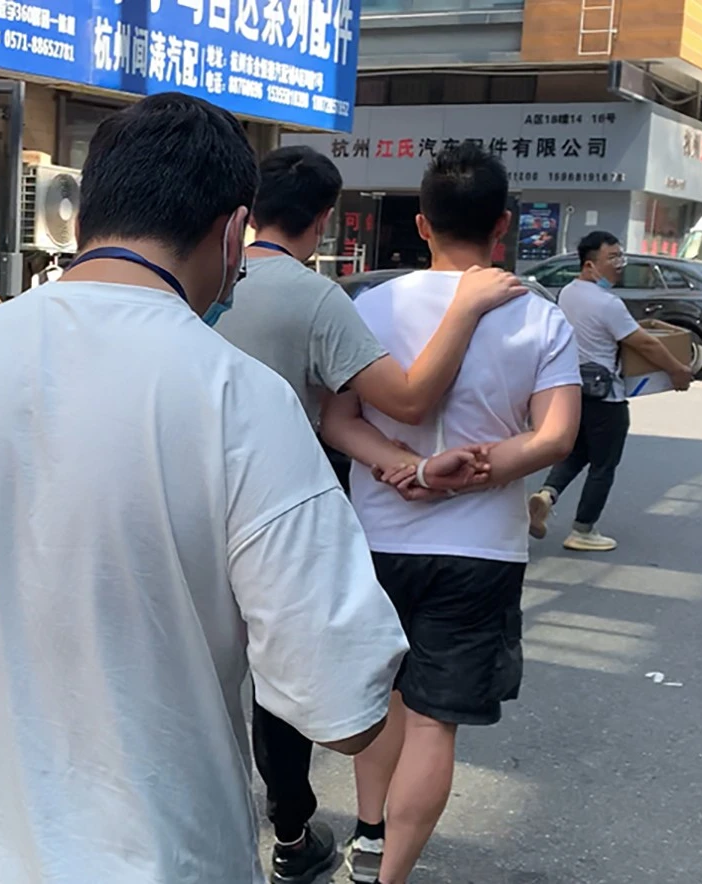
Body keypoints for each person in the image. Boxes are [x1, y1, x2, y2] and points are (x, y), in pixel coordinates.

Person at [0, 93, 410, 884]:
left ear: (86, 216)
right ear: (233, 233)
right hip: (173, 860)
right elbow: (342, 706)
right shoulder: (239, 397)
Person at [214, 144, 527, 884]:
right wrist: (467, 306)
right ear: (323, 219)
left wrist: (396, 463)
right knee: (280, 677)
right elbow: (406, 400)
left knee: (200, 673)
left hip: (185, 502)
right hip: (279, 515)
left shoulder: (206, 283)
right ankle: (292, 831)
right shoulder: (317, 298)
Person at [319, 143, 583, 884]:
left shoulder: (370, 307)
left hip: (375, 539)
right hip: (481, 550)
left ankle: (368, 833)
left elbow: (336, 418)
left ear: (421, 223)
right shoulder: (540, 317)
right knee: (433, 723)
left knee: (379, 699)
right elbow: (555, 437)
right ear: (503, 224)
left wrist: (404, 470)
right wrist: (468, 476)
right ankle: (390, 875)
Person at [527, 230, 694, 550]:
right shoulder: (608, 304)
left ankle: (546, 495)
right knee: (603, 465)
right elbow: (645, 343)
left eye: (621, 256)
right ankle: (583, 530)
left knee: (578, 451)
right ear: (590, 265)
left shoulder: (568, 293)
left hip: (576, 390)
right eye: (612, 258)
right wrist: (677, 370)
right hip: (607, 397)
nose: (620, 264)